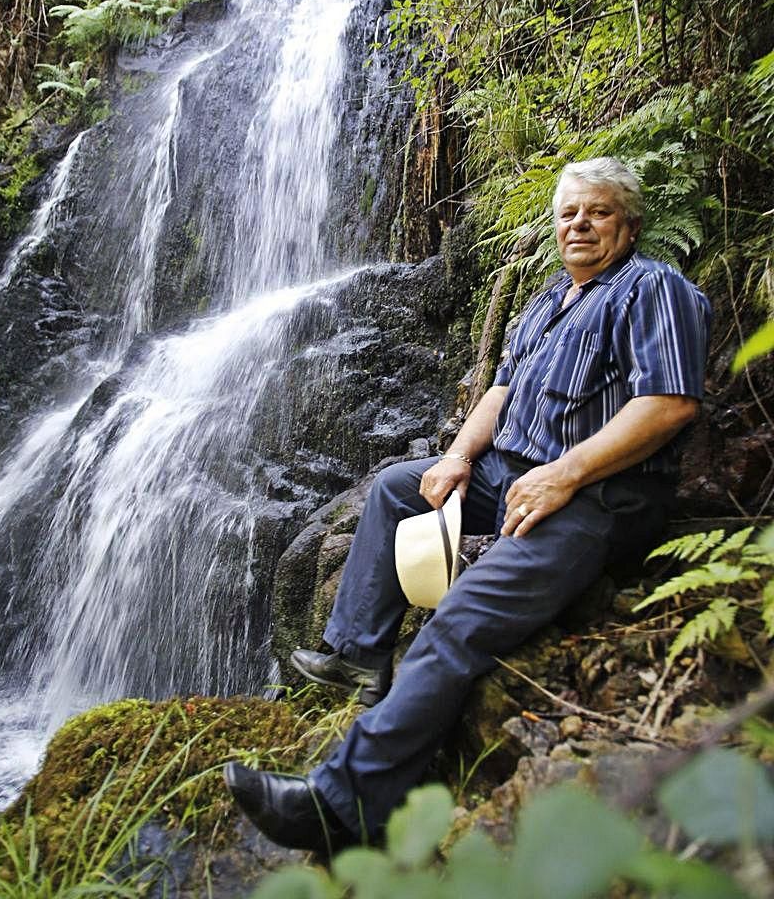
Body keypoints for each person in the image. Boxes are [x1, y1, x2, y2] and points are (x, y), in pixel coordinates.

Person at [224, 157, 711, 854]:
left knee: (458, 622)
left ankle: (341, 808)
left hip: (603, 494)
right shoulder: (549, 301)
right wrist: (457, 457)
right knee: (398, 487)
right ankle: (360, 655)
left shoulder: (652, 287)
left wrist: (566, 475)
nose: (580, 224)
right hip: (510, 472)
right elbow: (499, 395)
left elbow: (669, 404)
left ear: (628, 225)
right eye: (569, 212)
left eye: (597, 212)